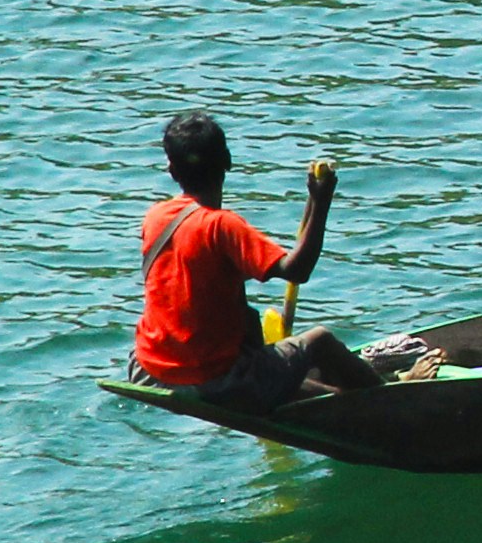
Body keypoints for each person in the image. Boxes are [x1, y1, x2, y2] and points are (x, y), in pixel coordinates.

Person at [133, 112, 387, 406]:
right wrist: (321, 203)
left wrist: (312, 201)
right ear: (227, 160)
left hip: (149, 369)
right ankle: (394, 399)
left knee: (259, 335)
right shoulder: (222, 226)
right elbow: (297, 269)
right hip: (216, 379)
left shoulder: (154, 218)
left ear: (171, 170)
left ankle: (334, 398)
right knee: (320, 342)